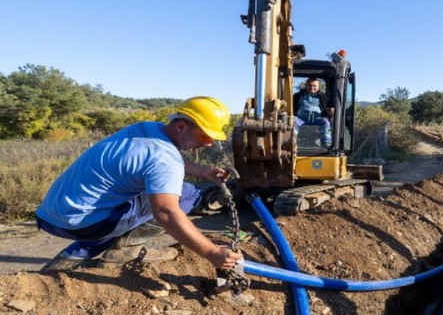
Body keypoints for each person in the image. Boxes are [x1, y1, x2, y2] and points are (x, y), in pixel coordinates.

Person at [36, 96, 243, 272]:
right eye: (206, 135)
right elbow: (165, 213)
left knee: (153, 193)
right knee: (188, 193)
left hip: (52, 213)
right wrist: (212, 252)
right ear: (181, 126)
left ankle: (73, 256)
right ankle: (126, 249)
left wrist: (203, 171)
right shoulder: (165, 159)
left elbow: (156, 161)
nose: (208, 143)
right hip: (82, 224)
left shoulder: (145, 128)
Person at [293, 77, 334, 148]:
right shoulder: (297, 96)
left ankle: (326, 143)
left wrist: (332, 110)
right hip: (301, 120)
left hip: (317, 120)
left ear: (318, 87)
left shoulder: (324, 97)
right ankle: (292, 141)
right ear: (305, 86)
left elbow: (332, 107)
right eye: (309, 85)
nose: (312, 87)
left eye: (314, 86)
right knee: (293, 121)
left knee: (325, 121)